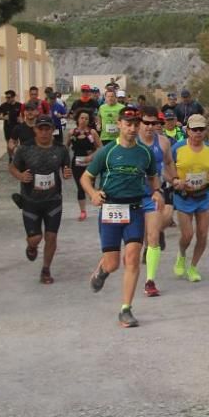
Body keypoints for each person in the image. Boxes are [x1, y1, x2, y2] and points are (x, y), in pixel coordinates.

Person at [81, 106, 161, 329]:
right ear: (119, 125)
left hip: (135, 210)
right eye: (128, 124)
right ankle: (103, 269)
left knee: (133, 258)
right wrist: (94, 193)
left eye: (136, 124)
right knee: (113, 262)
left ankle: (126, 309)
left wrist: (156, 191)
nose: (133, 128)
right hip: (111, 209)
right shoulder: (107, 152)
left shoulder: (144, 153)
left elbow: (154, 178)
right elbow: (86, 178)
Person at [9, 114, 72, 284]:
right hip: (30, 201)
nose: (44, 132)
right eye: (40, 129)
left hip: (53, 200)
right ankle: (31, 246)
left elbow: (66, 170)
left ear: (52, 130)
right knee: (36, 238)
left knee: (51, 237)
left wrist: (67, 174)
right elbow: (12, 167)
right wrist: (21, 176)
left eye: (47, 129)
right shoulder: (25, 149)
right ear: (35, 130)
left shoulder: (61, 150)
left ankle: (46, 269)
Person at [170, 114, 209, 283]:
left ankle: (193, 267)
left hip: (203, 196)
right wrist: (175, 181)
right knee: (187, 235)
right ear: (188, 130)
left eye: (201, 129)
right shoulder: (177, 148)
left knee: (202, 234)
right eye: (194, 129)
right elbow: (167, 168)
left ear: (206, 131)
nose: (198, 133)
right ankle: (182, 255)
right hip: (183, 197)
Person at [138, 105, 175, 295]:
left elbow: (168, 163)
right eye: (146, 123)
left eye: (154, 123)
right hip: (131, 195)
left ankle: (149, 281)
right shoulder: (130, 140)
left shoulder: (163, 143)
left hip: (154, 193)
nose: (150, 127)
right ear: (140, 122)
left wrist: (175, 179)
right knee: (136, 238)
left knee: (153, 235)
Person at [66, 109, 99, 221]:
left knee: (90, 186)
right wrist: (65, 164)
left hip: (90, 163)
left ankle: (98, 204)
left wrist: (91, 156)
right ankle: (83, 211)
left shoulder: (92, 132)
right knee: (80, 186)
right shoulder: (72, 132)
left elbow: (100, 148)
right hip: (77, 162)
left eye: (86, 118)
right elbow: (66, 147)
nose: (84, 120)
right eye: (82, 118)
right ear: (77, 119)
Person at [0, 90, 23, 160]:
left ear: (13, 97)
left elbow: (23, 115)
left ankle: (16, 158)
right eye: (6, 97)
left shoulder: (19, 105)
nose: (7, 99)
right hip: (7, 127)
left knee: (16, 143)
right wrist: (3, 117)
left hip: (16, 127)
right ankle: (11, 157)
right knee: (9, 144)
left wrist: (21, 119)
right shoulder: (3, 106)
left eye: (9, 97)